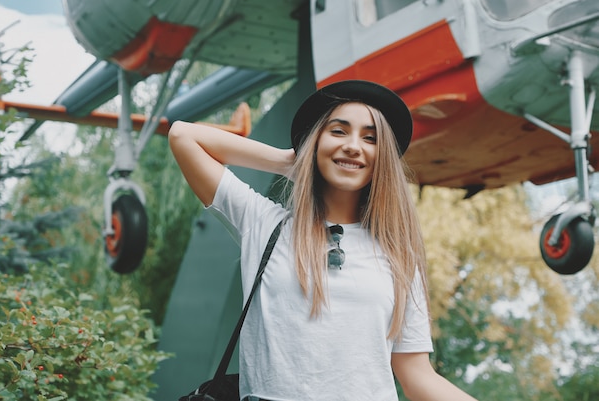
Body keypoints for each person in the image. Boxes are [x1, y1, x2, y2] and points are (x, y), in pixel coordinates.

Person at [168, 80, 478, 401]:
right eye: (339, 131)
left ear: (382, 157)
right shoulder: (264, 223)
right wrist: (293, 162)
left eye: (370, 138)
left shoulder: (398, 256)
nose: (353, 146)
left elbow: (417, 376)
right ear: (316, 140)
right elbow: (183, 136)